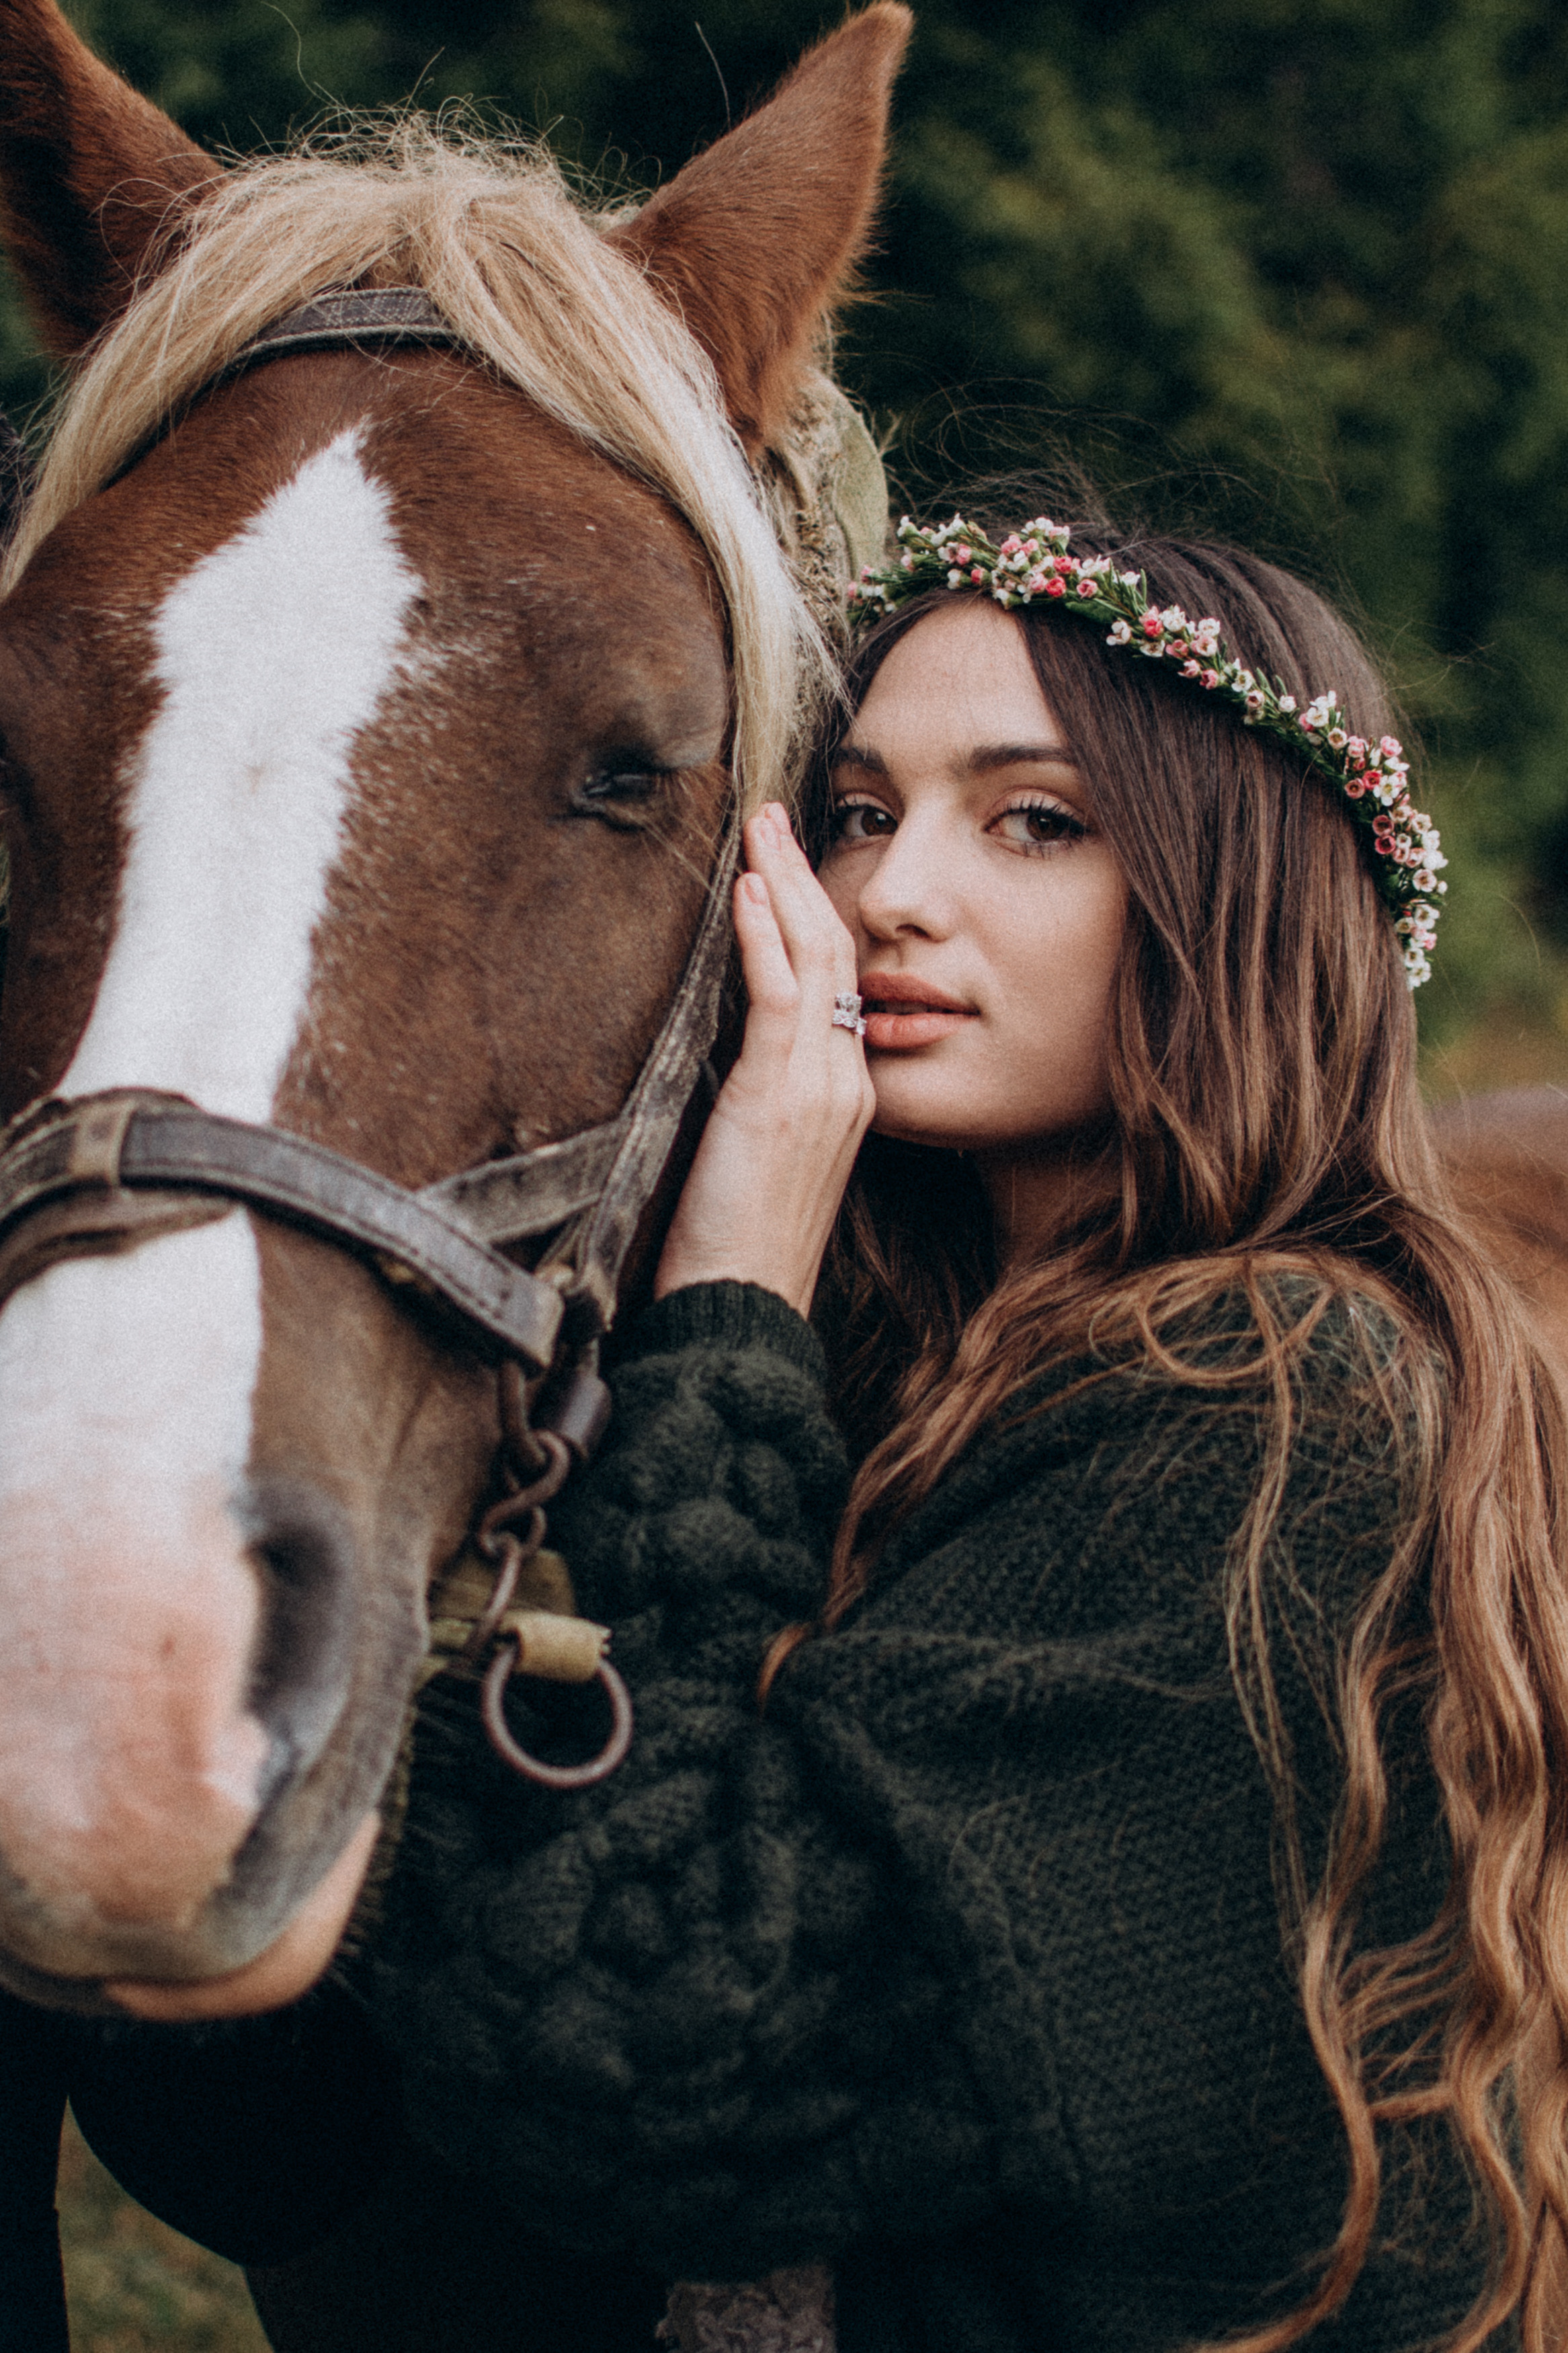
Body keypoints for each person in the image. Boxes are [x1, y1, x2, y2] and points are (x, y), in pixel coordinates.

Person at [56, 504, 1568, 2353]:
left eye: (1035, 820)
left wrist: (733, 1299)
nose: (888, 896)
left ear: (1235, 890)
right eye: (855, 812)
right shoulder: (929, 1361)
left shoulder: (1276, 1392)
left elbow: (686, 2052)